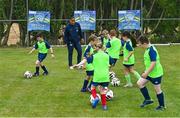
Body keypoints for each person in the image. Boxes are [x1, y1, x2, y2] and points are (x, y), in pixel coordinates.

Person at [137, 36, 165, 110]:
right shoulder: (148, 48)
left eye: (140, 44)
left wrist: (146, 73)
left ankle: (162, 106)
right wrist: (146, 72)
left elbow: (153, 63)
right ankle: (148, 100)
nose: (140, 46)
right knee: (140, 83)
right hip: (149, 73)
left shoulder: (151, 50)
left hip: (156, 74)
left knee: (158, 90)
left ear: (145, 43)